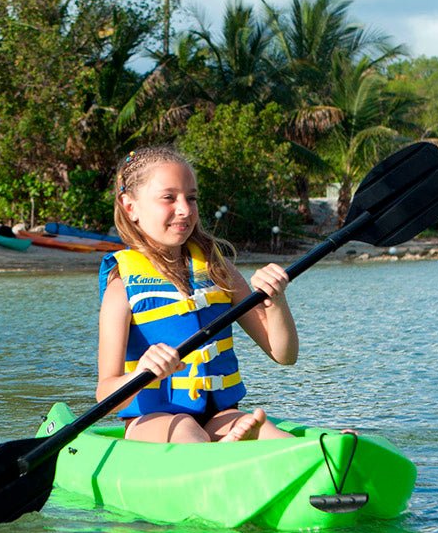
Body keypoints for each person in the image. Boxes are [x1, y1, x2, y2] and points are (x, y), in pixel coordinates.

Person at [96, 145, 298, 443]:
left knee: (269, 433)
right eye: (169, 198)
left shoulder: (218, 270)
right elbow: (105, 395)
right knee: (185, 430)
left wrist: (277, 301)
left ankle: (328, 461)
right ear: (130, 207)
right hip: (152, 422)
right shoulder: (121, 288)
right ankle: (223, 457)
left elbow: (284, 355)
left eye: (191, 198)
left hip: (219, 417)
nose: (185, 209)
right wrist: (140, 374)